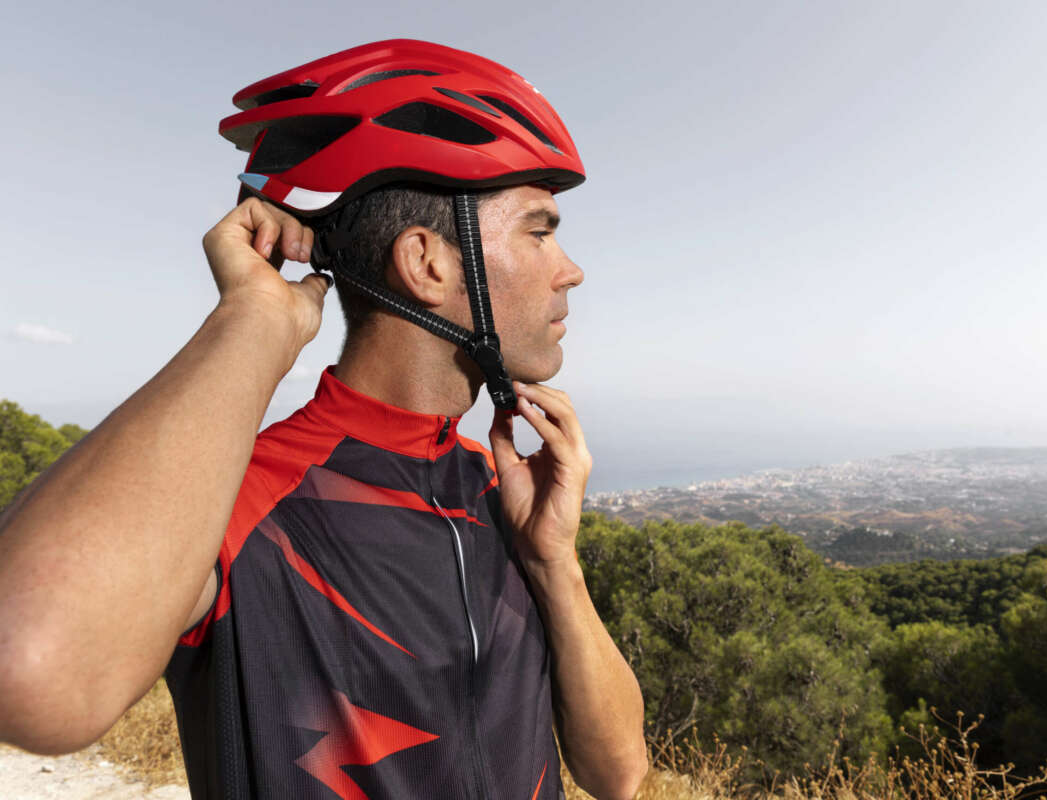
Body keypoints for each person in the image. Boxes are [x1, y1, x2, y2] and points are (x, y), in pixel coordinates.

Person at [0, 39, 647, 799]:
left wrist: (553, 563)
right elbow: (29, 665)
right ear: (428, 263)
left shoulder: (491, 489)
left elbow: (621, 774)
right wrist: (253, 322)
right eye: (540, 230)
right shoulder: (250, 499)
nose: (569, 269)